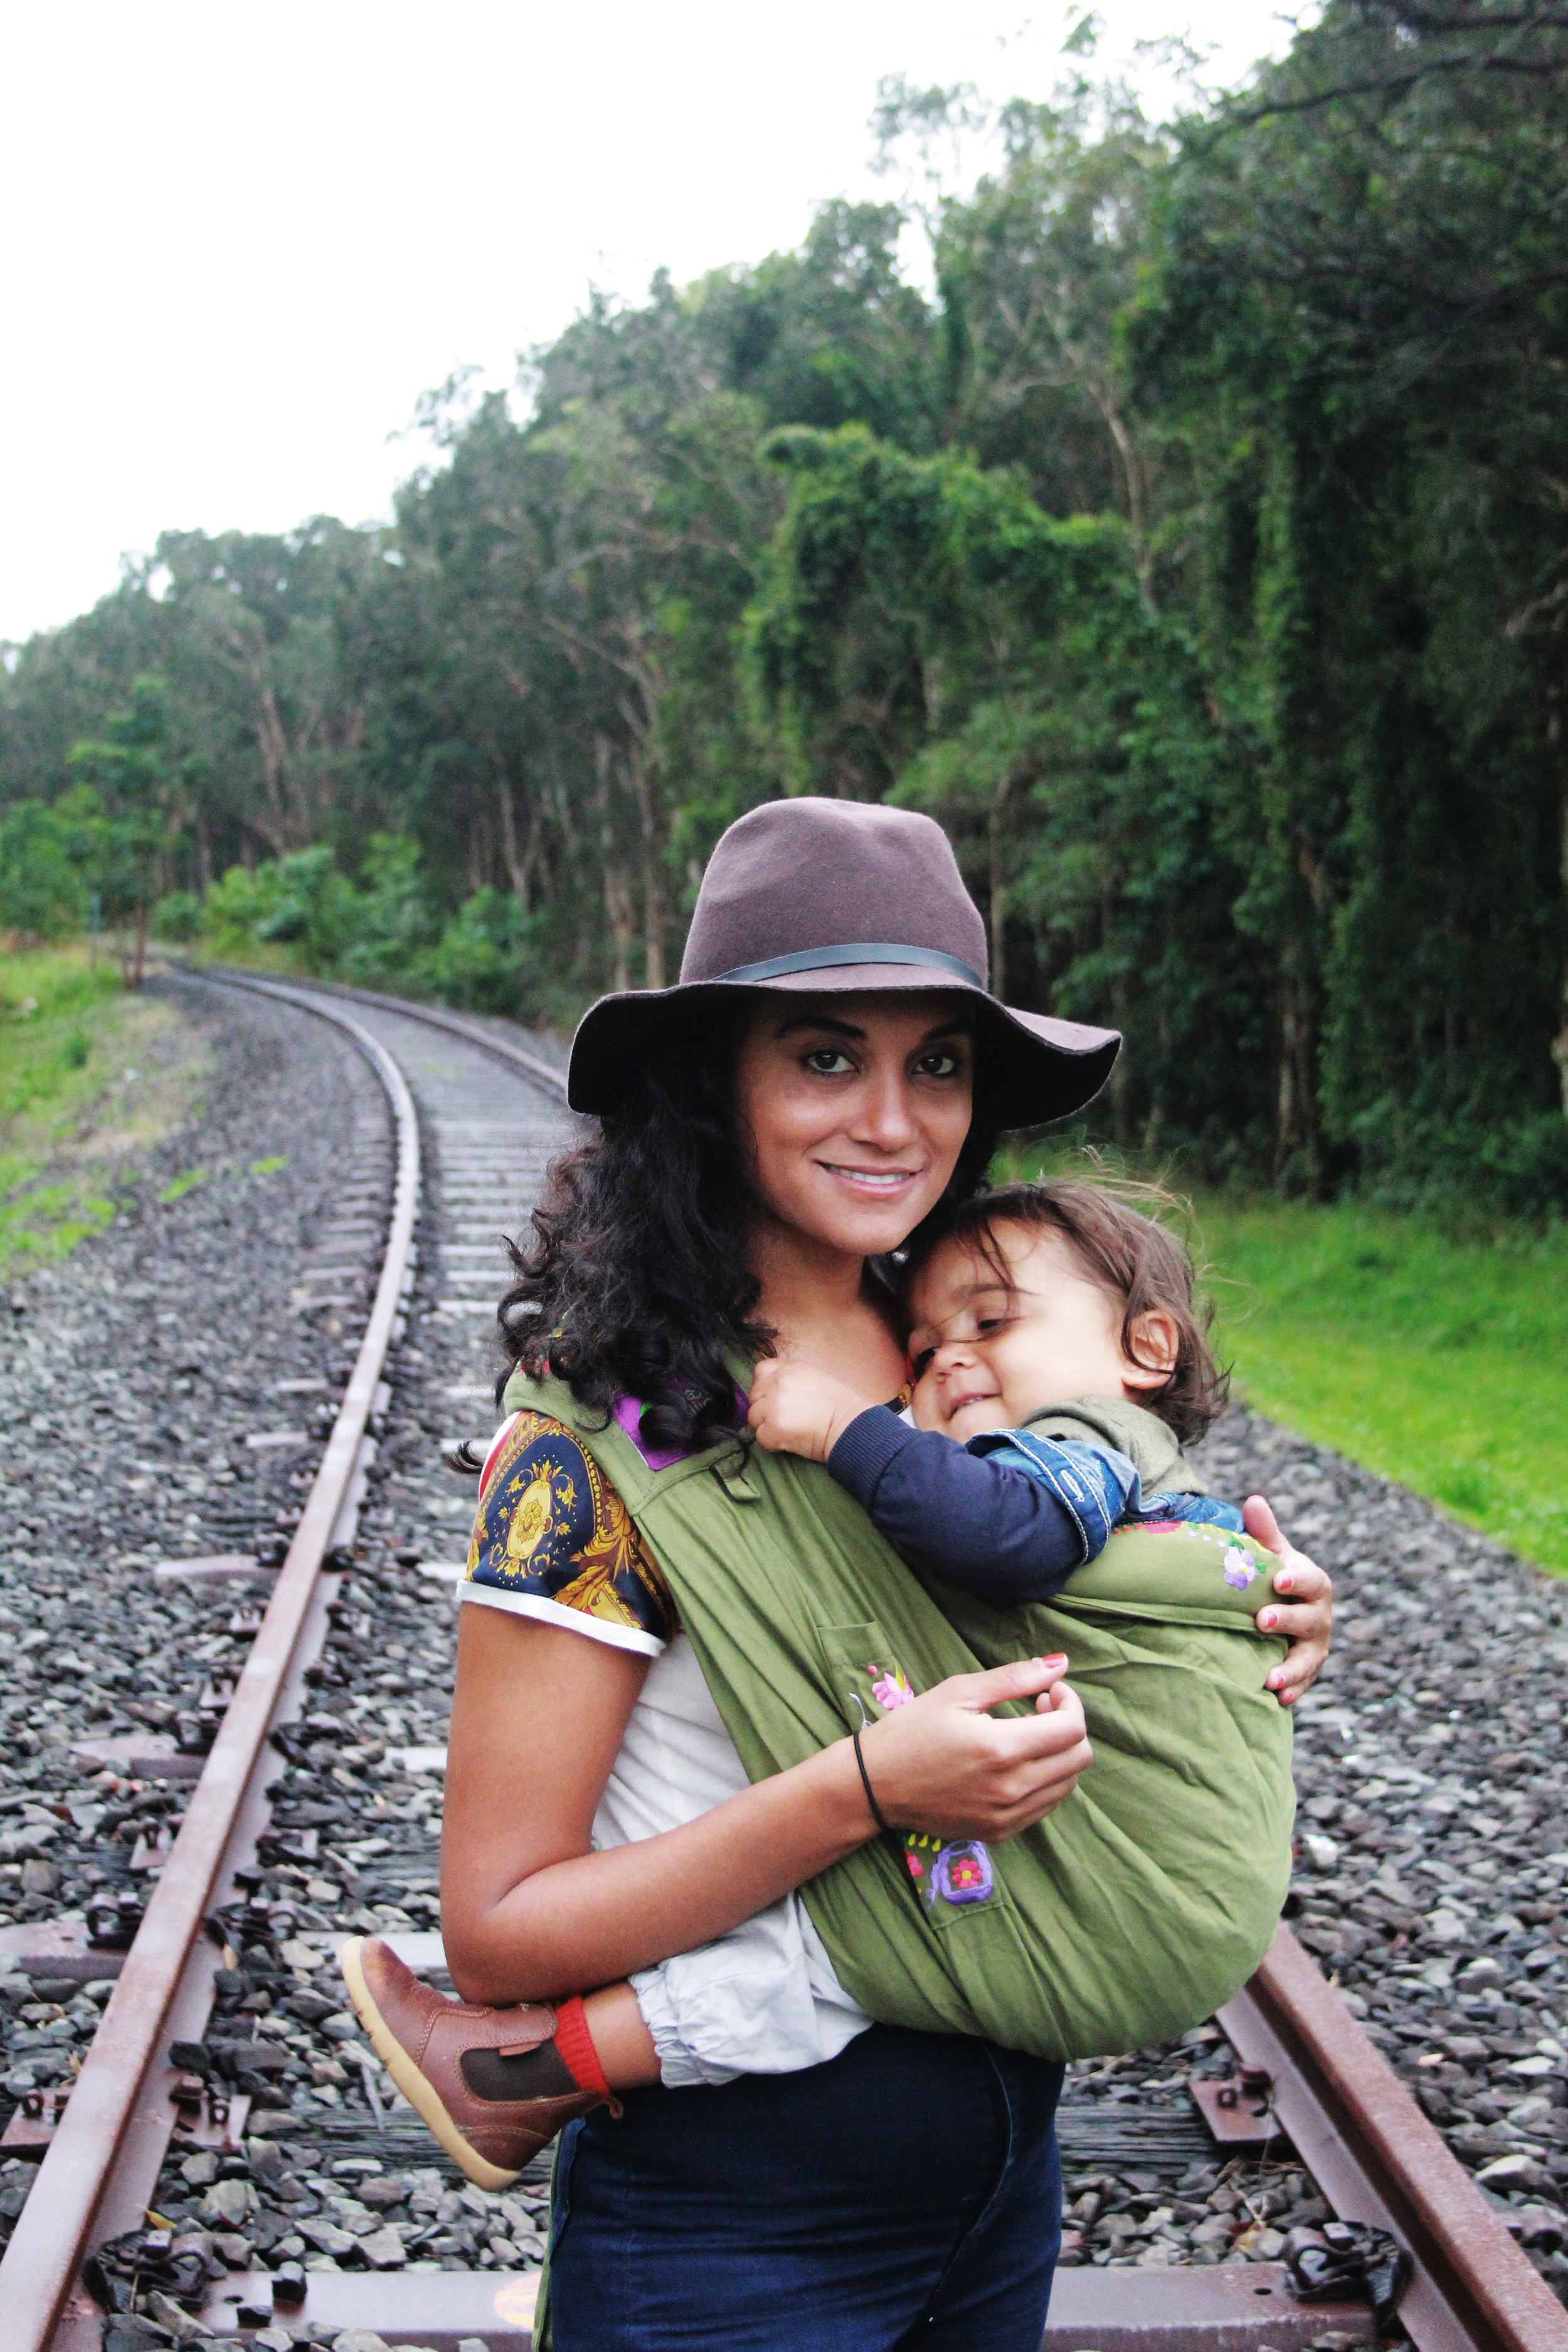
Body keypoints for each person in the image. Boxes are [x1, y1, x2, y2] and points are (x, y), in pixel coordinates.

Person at [341, 798, 1332, 2352]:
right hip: (732, 2234)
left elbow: (1087, 1563)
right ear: (710, 1080)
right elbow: (499, 1933)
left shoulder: (962, 1361)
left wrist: (1236, 1602)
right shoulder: (595, 1448)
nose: (891, 1118)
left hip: (1002, 2186)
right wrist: (867, 1789)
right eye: (823, 1055)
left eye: (933, 1060)